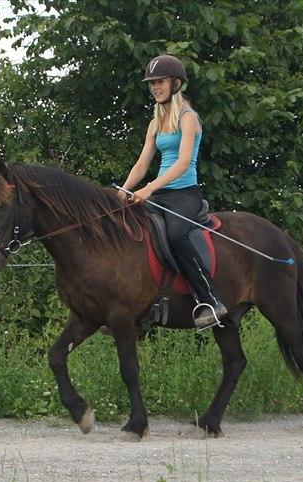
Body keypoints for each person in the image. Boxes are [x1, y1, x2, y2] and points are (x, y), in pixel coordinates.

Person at [119, 54, 227, 329]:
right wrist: (124, 190)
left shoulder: (189, 118)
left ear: (176, 84)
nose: (155, 87)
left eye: (161, 82)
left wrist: (150, 188)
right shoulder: (155, 123)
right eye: (152, 83)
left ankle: (209, 299)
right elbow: (143, 163)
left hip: (184, 193)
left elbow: (182, 163)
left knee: (177, 234)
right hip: (159, 194)